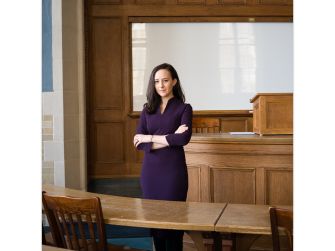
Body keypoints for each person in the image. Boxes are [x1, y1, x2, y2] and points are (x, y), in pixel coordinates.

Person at [133, 63, 193, 251]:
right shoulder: (147, 109)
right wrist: (169, 137)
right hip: (150, 174)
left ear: (174, 82)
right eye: (157, 81)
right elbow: (138, 142)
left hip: (173, 173)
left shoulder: (184, 108)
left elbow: (183, 138)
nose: (161, 85)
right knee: (155, 224)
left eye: (165, 80)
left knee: (174, 225)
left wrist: (150, 138)